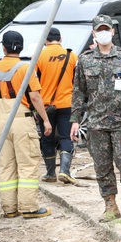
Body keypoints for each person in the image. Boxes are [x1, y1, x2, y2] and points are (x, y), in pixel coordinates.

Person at [70, 15, 121, 222]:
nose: (103, 32)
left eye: (107, 29)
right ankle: (110, 204)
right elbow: (78, 91)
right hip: (96, 122)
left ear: (112, 31)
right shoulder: (85, 60)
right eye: (99, 30)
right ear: (94, 33)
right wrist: (75, 119)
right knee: (102, 166)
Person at [0, 31, 52, 218]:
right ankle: (29, 207)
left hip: (2, 120)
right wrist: (45, 120)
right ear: (20, 47)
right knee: (28, 164)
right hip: (22, 120)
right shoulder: (26, 68)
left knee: (6, 166)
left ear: (3, 47)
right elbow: (35, 97)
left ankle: (10, 208)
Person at [35, 27, 78, 185]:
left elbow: (33, 83)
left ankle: (50, 172)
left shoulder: (38, 56)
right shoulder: (71, 55)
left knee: (47, 138)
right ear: (60, 39)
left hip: (45, 105)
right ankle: (65, 171)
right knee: (66, 137)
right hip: (67, 103)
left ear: (45, 40)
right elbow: (77, 81)